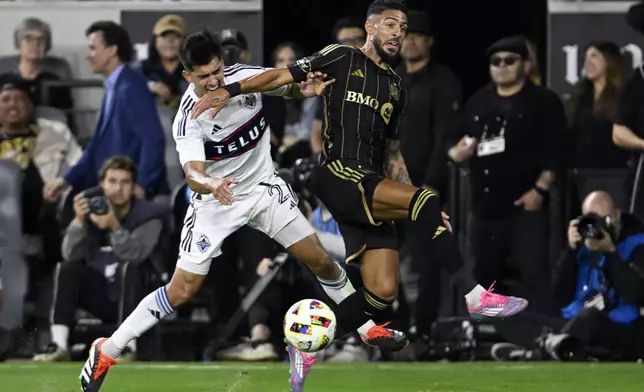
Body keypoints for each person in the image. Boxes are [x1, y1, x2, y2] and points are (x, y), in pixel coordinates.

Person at [191, 0, 528, 388]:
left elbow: (393, 154)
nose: (398, 33)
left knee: (382, 292)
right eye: (390, 24)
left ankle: (306, 347)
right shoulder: (341, 57)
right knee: (424, 202)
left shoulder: (396, 87)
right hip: (337, 172)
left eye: (403, 27)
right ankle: (474, 296)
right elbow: (280, 75)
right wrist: (228, 91)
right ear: (370, 27)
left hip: (370, 182)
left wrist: (419, 205)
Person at [77, 30, 406, 392]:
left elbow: (286, 86)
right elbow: (192, 174)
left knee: (322, 261)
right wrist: (210, 185)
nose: (214, 80)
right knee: (181, 290)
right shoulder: (188, 118)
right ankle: (107, 349)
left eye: (217, 70)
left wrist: (305, 89)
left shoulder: (243, 79)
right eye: (204, 76)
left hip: (265, 190)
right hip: (216, 203)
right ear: (188, 77)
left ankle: (367, 329)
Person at [34, 156, 166, 362]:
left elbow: (136, 256)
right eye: (112, 181)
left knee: (132, 268)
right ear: (102, 185)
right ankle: (59, 345)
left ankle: (126, 348)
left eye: (125, 182)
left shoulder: (148, 216)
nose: (118, 188)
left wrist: (114, 226)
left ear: (134, 188)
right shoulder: (90, 210)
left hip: (138, 299)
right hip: (102, 295)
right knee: (67, 268)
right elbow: (69, 254)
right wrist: (78, 222)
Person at [43, 21, 168, 202]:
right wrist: (65, 179)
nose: (88, 55)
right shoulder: (114, 86)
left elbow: (153, 139)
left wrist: (141, 186)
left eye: (93, 48)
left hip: (130, 194)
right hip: (110, 189)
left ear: (111, 50)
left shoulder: (131, 86)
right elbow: (96, 146)